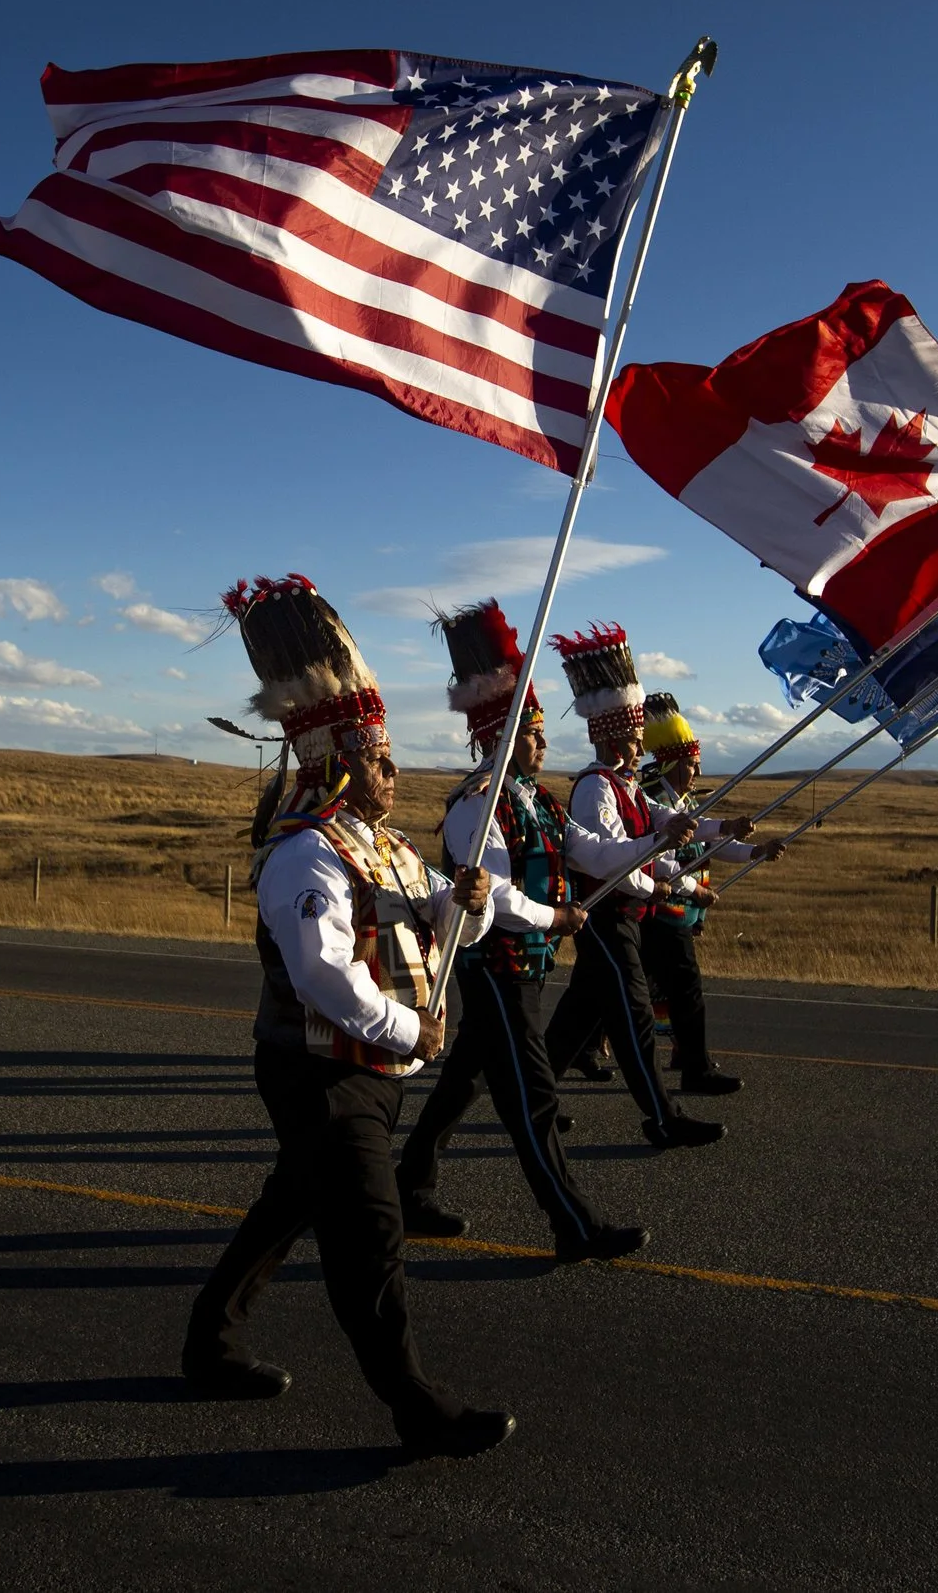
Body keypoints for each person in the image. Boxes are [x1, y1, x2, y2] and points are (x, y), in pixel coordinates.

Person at [180, 574, 513, 1460]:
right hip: (321, 1069)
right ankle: (417, 1406)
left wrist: (470, 901)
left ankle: (208, 1340)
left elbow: (448, 918)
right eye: (377, 757)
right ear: (334, 759)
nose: (393, 771)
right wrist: (411, 1033)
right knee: (369, 1233)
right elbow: (324, 976)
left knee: (290, 1203)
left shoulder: (388, 846)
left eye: (390, 755)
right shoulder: (304, 858)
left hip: (371, 1070)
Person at [395, 601, 649, 1261]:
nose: (542, 744)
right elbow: (498, 898)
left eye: (539, 733)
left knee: (463, 1084)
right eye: (532, 734)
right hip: (495, 971)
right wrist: (557, 917)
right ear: (502, 736)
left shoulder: (540, 801)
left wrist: (656, 843)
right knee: (534, 1100)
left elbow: (591, 851)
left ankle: (408, 1185)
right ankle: (574, 1223)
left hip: (526, 973)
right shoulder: (476, 807)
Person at [539, 625, 750, 1150]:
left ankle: (526, 1098)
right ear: (613, 740)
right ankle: (661, 1116)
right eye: (634, 741)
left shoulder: (625, 786)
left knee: (572, 1025)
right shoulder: (594, 788)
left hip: (623, 920)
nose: (640, 750)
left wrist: (724, 829)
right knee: (634, 1020)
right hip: (608, 921)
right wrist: (654, 884)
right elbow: (606, 857)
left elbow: (677, 823)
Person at [637, 692, 784, 1096]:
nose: (696, 770)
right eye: (690, 763)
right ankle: (693, 1067)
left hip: (678, 908)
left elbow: (710, 842)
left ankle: (572, 1052)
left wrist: (754, 850)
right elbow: (653, 857)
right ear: (669, 763)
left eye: (696, 763)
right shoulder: (651, 800)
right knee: (683, 985)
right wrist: (691, 889)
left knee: (634, 985)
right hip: (657, 906)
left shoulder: (686, 802)